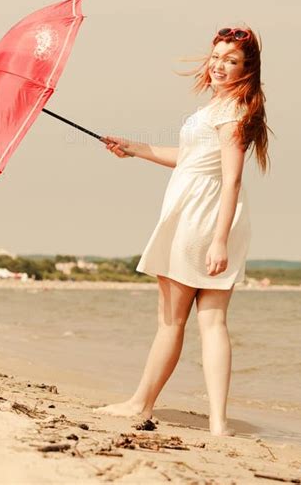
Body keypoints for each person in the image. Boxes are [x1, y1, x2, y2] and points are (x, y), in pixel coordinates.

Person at [92, 26, 271, 436]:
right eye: (217, 57)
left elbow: (232, 180)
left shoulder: (230, 113)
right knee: (212, 321)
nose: (220, 66)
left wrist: (219, 239)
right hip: (213, 217)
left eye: (231, 60)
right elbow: (190, 160)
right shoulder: (226, 108)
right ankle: (219, 423)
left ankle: (140, 402)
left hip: (199, 219)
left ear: (248, 68)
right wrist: (132, 148)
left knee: (172, 322)